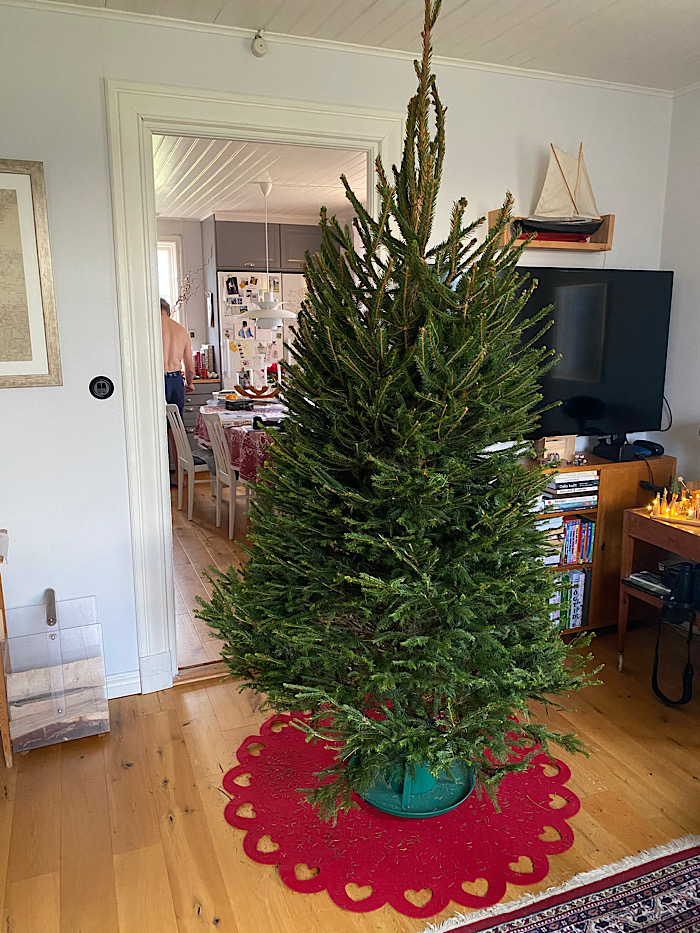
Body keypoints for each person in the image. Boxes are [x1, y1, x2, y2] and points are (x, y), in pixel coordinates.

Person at [160, 298, 194, 415]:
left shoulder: (149, 328)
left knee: (155, 421)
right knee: (176, 421)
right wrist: (189, 383)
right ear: (169, 313)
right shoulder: (181, 330)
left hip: (155, 379)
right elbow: (189, 368)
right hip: (175, 380)